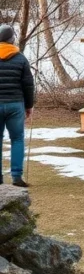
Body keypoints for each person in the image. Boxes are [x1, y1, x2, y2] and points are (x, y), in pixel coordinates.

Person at [0, 24, 34, 187]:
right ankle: (16, 177)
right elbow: (28, 85)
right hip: (15, 105)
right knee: (17, 139)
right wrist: (29, 105)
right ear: (11, 40)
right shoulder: (20, 58)